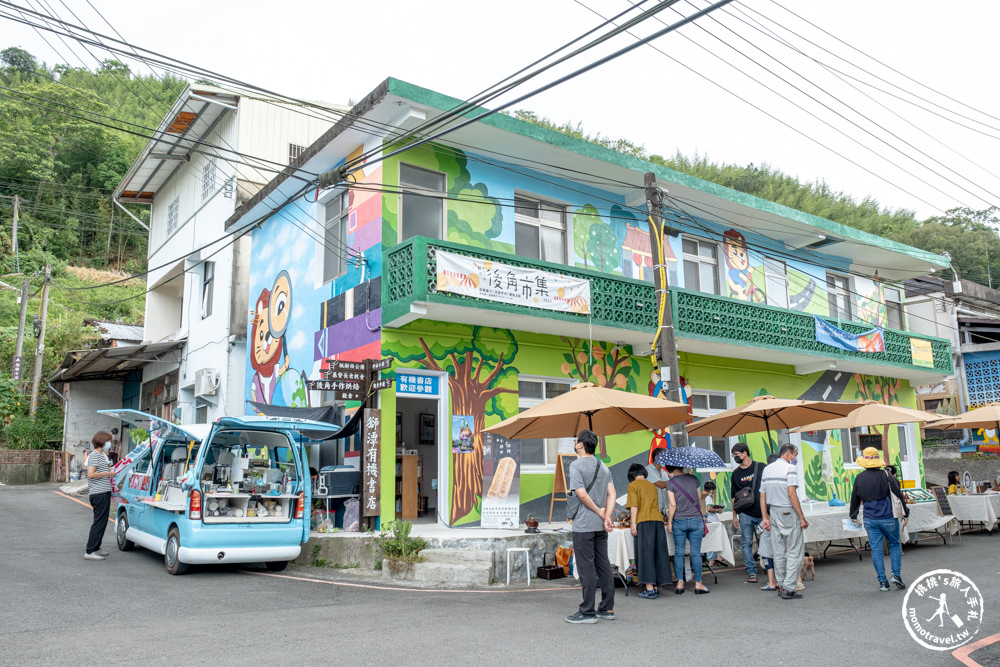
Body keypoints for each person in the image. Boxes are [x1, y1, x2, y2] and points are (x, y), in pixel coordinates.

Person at [566, 429, 616, 624]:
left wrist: (599, 512)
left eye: (576, 440)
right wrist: (607, 515)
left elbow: (581, 494)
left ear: (580, 445)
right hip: (600, 526)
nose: (575, 443)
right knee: (603, 565)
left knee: (586, 568)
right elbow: (611, 493)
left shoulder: (576, 465)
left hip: (584, 525)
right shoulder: (604, 466)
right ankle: (607, 608)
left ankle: (587, 612)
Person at [850, 447, 909, 592]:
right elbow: (898, 495)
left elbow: (854, 500)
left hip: (870, 519)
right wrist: (905, 513)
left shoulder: (859, 478)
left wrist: (853, 515)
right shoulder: (887, 475)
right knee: (894, 545)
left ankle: (883, 582)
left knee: (876, 550)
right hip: (888, 517)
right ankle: (896, 575)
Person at [760, 443, 808, 600]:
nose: (795, 459)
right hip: (788, 511)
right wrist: (801, 516)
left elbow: (762, 495)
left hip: (773, 511)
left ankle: (781, 584)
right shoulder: (790, 469)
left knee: (778, 550)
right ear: (788, 455)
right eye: (795, 455)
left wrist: (765, 517)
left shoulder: (767, 469)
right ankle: (789, 587)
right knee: (794, 550)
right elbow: (792, 494)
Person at [626, 463, 670, 599]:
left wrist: (633, 524)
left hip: (643, 522)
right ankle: (656, 586)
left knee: (645, 554)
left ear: (631, 475)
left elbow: (634, 506)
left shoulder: (632, 486)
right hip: (657, 521)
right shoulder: (652, 486)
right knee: (658, 553)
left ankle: (649, 589)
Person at [666, 465, 710, 594]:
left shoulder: (671, 483)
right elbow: (697, 498)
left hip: (679, 521)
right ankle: (698, 584)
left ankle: (680, 584)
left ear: (670, 468)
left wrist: (669, 522)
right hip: (696, 520)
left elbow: (672, 504)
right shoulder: (694, 479)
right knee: (695, 553)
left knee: (679, 552)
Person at [730, 442, 766, 584]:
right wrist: (734, 515)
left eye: (737, 455)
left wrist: (768, 513)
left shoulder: (761, 467)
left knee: (766, 541)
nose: (735, 458)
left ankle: (768, 566)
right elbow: (734, 497)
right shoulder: (736, 474)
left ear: (745, 453)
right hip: (745, 513)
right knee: (746, 542)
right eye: (733, 456)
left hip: (762, 512)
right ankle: (751, 572)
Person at [84, 431, 116, 561]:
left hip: (104, 491)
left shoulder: (101, 455)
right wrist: (108, 474)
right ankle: (90, 550)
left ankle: (96, 547)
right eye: (108, 441)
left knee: (102, 521)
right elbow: (91, 474)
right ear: (102, 441)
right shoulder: (94, 455)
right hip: (99, 492)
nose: (110, 443)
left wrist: (109, 471)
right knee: (99, 522)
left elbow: (100, 470)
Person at [701, 481, 722, 566]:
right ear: (712, 490)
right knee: (715, 539)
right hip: (712, 521)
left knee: (710, 539)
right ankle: (714, 558)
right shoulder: (708, 497)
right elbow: (709, 509)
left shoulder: (702, 496)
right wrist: (717, 510)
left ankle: (713, 558)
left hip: (706, 520)